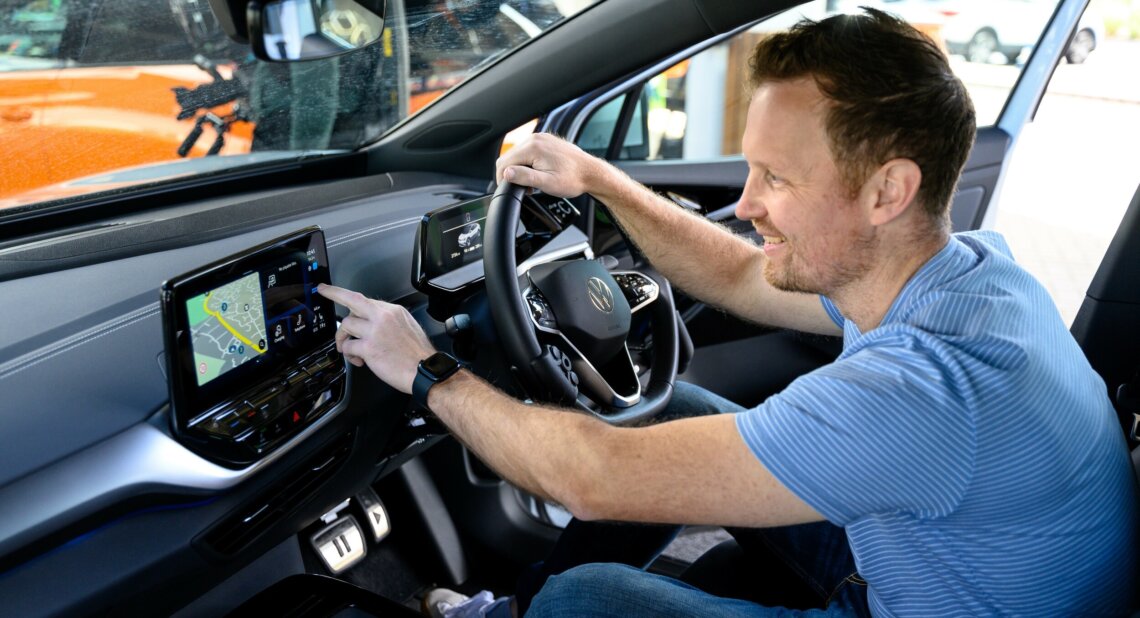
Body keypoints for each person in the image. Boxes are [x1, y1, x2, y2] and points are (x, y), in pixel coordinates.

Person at [317, 9, 1139, 617]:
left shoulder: (917, 396)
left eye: (776, 179)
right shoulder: (975, 276)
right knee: (664, 409)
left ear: (888, 190)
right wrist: (599, 180)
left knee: (590, 600)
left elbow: (591, 480)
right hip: (940, 567)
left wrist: (424, 368)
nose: (745, 205)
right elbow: (747, 276)